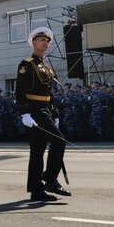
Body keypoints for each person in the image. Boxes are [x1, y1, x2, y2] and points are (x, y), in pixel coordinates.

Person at [16, 27, 71, 202]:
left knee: (38, 151)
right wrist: (24, 113)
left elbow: (49, 93)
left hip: (45, 109)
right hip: (34, 109)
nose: (45, 43)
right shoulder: (27, 64)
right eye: (41, 40)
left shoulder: (45, 66)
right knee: (59, 140)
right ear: (33, 42)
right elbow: (20, 90)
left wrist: (55, 113)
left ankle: (36, 190)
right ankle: (50, 179)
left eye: (47, 41)